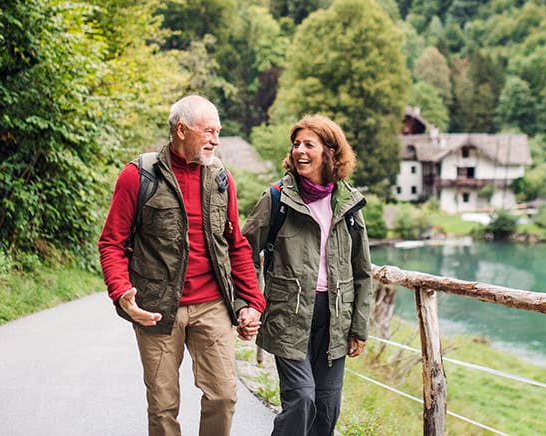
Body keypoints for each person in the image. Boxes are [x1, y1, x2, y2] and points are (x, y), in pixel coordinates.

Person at [98, 95, 265, 436]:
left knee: (223, 396)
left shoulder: (222, 178)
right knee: (163, 407)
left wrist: (251, 303)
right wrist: (122, 293)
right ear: (181, 129)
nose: (216, 141)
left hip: (212, 305)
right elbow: (111, 243)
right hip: (156, 309)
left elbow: (235, 245)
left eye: (218, 132)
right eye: (208, 132)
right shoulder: (138, 176)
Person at [243, 114, 372, 436]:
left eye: (309, 145)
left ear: (330, 152)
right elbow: (243, 251)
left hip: (336, 320)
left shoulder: (348, 203)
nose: (300, 150)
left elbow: (363, 271)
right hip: (289, 315)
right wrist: (251, 301)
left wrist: (359, 326)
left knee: (326, 410)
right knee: (302, 400)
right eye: (296, 144)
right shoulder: (277, 199)